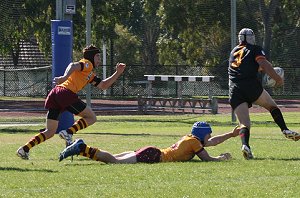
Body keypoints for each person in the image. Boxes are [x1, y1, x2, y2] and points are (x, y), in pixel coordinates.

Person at [16, 44, 126, 160]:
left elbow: (103, 85)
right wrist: (64, 77)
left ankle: (24, 149)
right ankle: (69, 132)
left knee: (50, 131)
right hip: (65, 93)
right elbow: (73, 65)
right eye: (98, 56)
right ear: (91, 57)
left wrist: (118, 72)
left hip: (56, 94)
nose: (99, 59)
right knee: (91, 118)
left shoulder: (89, 74)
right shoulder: (87, 64)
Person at [228, 28, 300, 160]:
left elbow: (247, 66)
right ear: (251, 38)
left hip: (234, 89)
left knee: (244, 123)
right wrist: (277, 78)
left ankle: (245, 146)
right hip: (250, 85)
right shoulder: (255, 48)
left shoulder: (233, 51)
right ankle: (285, 129)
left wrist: (264, 69)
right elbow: (263, 63)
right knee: (272, 106)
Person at [58, 121, 240, 163]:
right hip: (153, 155)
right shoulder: (194, 143)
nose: (209, 137)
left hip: (151, 151)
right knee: (114, 161)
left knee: (113, 159)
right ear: (202, 134)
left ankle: (81, 150)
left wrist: (231, 135)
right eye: (208, 134)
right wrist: (221, 158)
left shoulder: (191, 139)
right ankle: (82, 147)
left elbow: (211, 143)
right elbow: (207, 159)